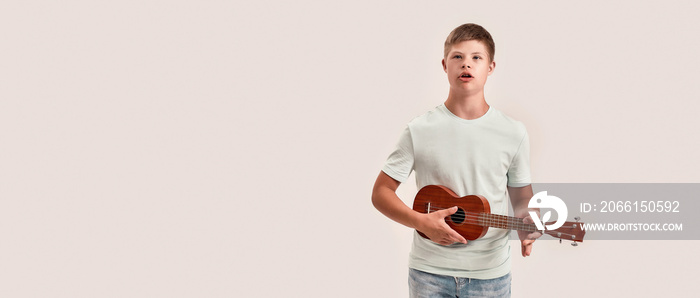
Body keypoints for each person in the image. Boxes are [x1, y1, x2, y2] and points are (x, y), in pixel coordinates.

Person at [371, 23, 540, 297]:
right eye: (457, 56)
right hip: (429, 274)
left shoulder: (513, 132)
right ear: (444, 65)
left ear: (491, 67)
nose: (467, 64)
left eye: (477, 57)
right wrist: (420, 222)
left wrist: (527, 224)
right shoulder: (420, 129)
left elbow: (522, 200)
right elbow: (381, 192)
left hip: (490, 276)